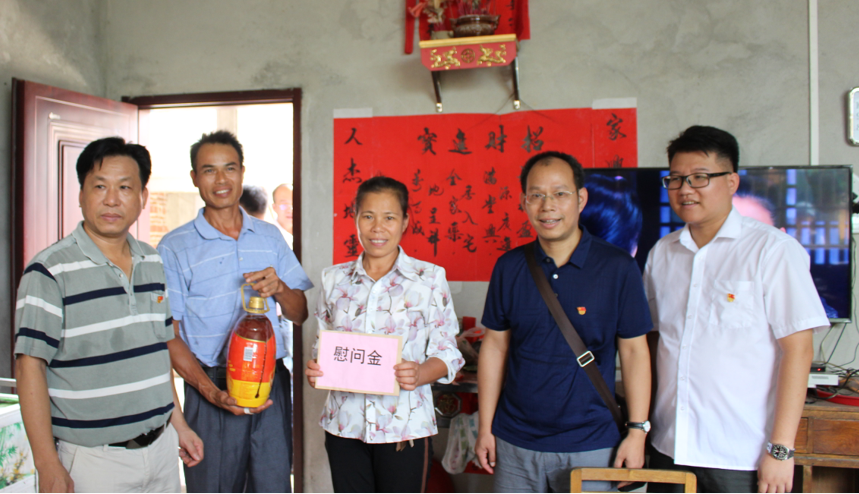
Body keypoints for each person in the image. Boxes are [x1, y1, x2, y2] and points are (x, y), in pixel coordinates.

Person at [644, 126, 829, 493]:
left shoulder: (772, 250)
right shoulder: (662, 253)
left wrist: (781, 450)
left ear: (731, 181)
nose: (685, 189)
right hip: (669, 446)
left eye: (700, 177)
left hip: (740, 454)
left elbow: (798, 350)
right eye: (676, 179)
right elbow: (653, 341)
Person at [14, 137, 203, 493]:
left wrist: (179, 424)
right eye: (100, 186)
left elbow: (156, 354)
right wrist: (47, 463)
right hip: (93, 460)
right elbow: (29, 368)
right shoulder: (49, 271)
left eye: (125, 188)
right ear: (81, 194)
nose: (112, 199)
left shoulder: (151, 260)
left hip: (162, 450)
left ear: (143, 197)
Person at [475, 151, 653, 493]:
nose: (548, 206)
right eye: (536, 195)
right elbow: (495, 347)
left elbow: (635, 352)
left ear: (581, 198)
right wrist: (486, 427)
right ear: (524, 202)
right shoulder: (509, 267)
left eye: (560, 193)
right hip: (515, 443)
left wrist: (637, 431)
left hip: (593, 444)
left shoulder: (618, 267)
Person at [157, 130, 313, 493]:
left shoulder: (269, 236)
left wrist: (280, 288)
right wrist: (211, 392)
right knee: (213, 487)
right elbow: (168, 335)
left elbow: (300, 313)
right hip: (211, 384)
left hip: (269, 383)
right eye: (208, 170)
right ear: (194, 177)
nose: (221, 180)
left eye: (229, 168)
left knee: (274, 485)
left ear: (242, 172)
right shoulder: (175, 247)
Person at [305, 176, 464, 493]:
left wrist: (420, 373)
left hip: (404, 428)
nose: (378, 228)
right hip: (344, 425)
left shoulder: (429, 279)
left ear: (404, 221)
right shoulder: (334, 280)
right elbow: (323, 346)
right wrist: (316, 368)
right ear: (355, 218)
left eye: (389, 217)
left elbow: (449, 353)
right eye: (368, 216)